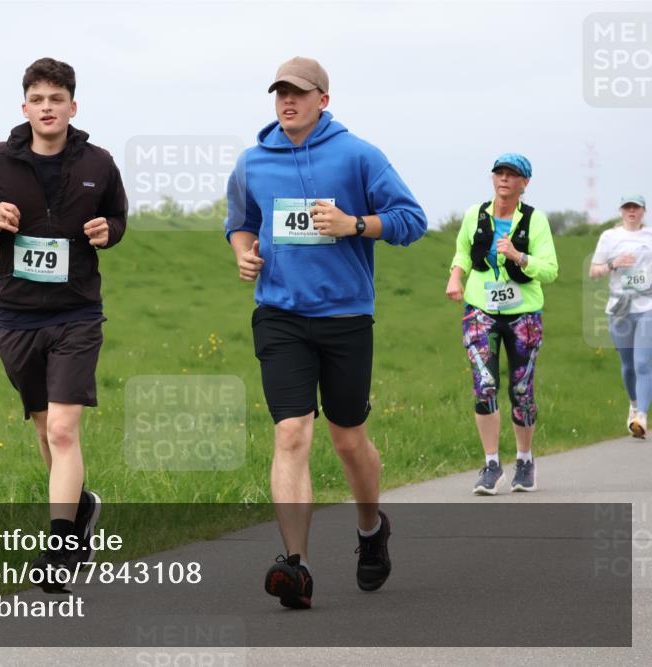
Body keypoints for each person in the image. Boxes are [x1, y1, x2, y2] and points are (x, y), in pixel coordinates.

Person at [224, 56, 427, 609]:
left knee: (347, 438)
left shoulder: (358, 154)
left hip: (344, 318)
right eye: (279, 93)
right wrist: (245, 254)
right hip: (280, 315)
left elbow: (412, 218)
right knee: (291, 432)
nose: (287, 101)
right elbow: (240, 222)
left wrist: (355, 224)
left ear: (324, 100)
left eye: (299, 93)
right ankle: (297, 566)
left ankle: (370, 530)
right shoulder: (253, 162)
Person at [0, 58, 127, 591]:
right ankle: (80, 511)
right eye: (38, 98)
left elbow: (119, 217)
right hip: (18, 316)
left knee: (62, 427)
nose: (47, 107)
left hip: (77, 313)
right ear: (25, 106)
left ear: (73, 106)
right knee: (42, 429)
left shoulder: (98, 161)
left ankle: (59, 548)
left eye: (57, 98)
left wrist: (107, 231)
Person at [445, 153, 558, 495]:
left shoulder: (535, 221)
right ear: (493, 179)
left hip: (524, 313)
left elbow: (551, 270)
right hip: (481, 309)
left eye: (512, 175)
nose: (504, 179)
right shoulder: (475, 215)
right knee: (485, 384)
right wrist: (455, 277)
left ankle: (524, 460)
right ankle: (492, 464)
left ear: (525, 183)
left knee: (521, 390)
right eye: (499, 173)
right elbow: (463, 250)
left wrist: (518, 256)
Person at [589, 195, 652, 438]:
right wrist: (613, 264)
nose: (632, 211)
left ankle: (642, 417)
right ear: (621, 211)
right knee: (628, 366)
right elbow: (594, 271)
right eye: (627, 207)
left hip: (647, 306)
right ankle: (634, 405)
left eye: (636, 207)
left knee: (643, 363)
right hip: (619, 308)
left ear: (643, 211)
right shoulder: (609, 237)